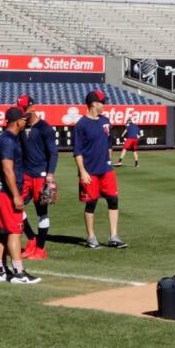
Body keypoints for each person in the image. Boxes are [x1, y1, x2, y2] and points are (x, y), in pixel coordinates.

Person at [0, 107, 39, 284]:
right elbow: (7, 169)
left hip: (0, 190)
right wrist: (16, 195)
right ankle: (19, 273)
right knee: (14, 231)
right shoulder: (8, 140)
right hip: (6, 192)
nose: (26, 121)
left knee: (2, 232)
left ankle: (1, 271)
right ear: (17, 121)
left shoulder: (4, 138)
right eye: (24, 119)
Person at [75, 90, 127, 248]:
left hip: (106, 169)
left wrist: (109, 158)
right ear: (93, 104)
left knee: (113, 200)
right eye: (102, 102)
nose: (104, 104)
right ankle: (91, 236)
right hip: (90, 171)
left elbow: (109, 141)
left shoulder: (105, 120)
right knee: (91, 203)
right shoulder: (81, 125)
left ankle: (114, 236)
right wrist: (82, 172)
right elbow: (77, 151)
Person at [19, 100, 58, 260]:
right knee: (16, 206)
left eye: (24, 109)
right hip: (26, 175)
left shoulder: (45, 128)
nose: (22, 112)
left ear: (32, 108)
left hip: (41, 176)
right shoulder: (22, 127)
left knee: (42, 212)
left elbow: (53, 153)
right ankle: (32, 239)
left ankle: (41, 249)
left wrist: (50, 175)